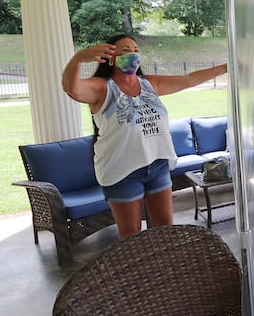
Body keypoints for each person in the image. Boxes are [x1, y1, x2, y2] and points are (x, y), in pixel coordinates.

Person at [61, 34, 227, 239]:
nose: (132, 54)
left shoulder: (148, 84)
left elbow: (189, 80)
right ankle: (139, 271)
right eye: (125, 51)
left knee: (165, 227)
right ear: (110, 58)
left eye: (135, 50)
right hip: (122, 171)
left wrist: (226, 68)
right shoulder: (103, 87)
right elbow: (72, 89)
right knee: (132, 235)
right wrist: (77, 59)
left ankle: (162, 270)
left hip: (156, 166)